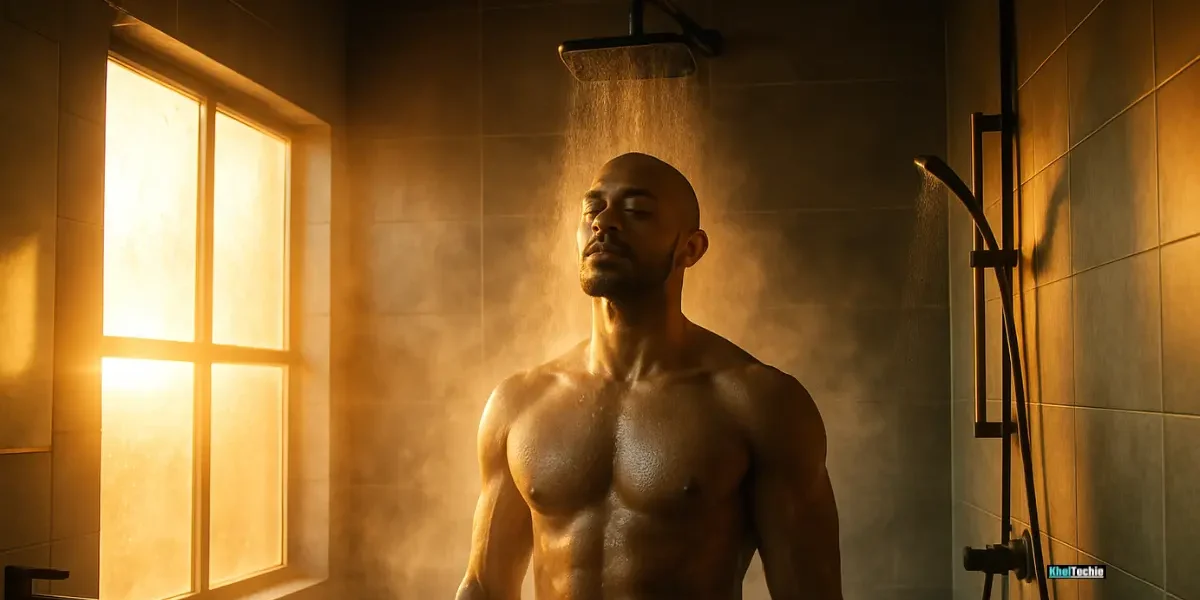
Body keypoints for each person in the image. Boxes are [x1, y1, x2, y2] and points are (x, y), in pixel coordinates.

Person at [456, 152, 842, 600]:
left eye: (637, 211)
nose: (605, 223)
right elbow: (484, 587)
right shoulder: (519, 404)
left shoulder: (757, 402)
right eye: (591, 210)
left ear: (691, 248)